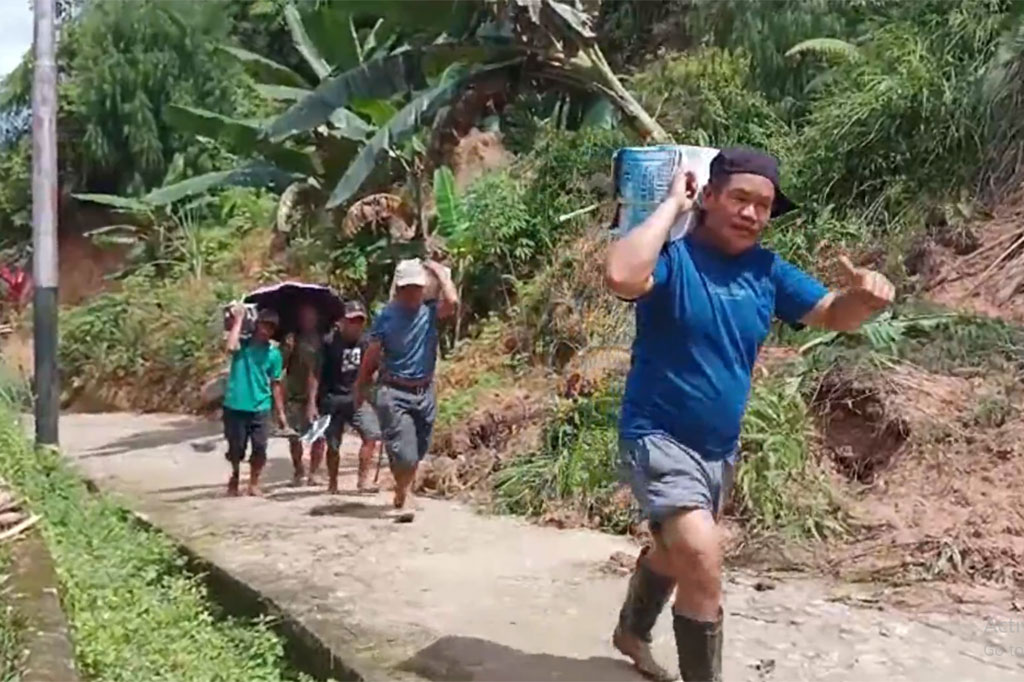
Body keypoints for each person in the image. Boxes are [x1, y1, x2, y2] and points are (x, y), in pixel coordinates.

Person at [605, 147, 895, 682]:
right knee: (703, 556)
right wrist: (672, 205)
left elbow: (837, 315)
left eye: (763, 206)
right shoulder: (673, 259)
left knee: (676, 555)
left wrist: (866, 299)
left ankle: (631, 630)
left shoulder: (767, 271)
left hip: (718, 448)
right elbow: (622, 275)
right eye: (739, 198)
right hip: (658, 436)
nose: (752, 214)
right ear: (707, 197)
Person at [355, 258, 458, 522]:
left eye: (418, 287)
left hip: (424, 392)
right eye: (409, 287)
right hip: (394, 391)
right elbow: (372, 354)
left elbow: (453, 303)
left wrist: (439, 273)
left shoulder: (430, 312)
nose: (414, 293)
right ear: (399, 289)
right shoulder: (386, 316)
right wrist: (361, 385)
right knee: (406, 450)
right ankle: (406, 494)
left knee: (418, 448)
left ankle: (402, 489)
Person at [223, 305, 288, 497]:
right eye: (264, 325)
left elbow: (276, 384)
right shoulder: (243, 345)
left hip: (261, 406)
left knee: (260, 447)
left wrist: (281, 413)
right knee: (237, 448)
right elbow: (230, 347)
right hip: (236, 404)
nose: (266, 330)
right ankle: (235, 475)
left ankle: (253, 482)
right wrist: (239, 320)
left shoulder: (274, 354)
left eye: (271, 327)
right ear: (257, 325)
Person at [319, 300, 382, 494]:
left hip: (356, 398)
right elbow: (316, 373)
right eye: (351, 321)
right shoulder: (328, 342)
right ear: (342, 321)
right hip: (332, 398)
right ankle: (333, 483)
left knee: (371, 435)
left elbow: (373, 368)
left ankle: (363, 481)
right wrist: (315, 401)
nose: (355, 325)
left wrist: (372, 389)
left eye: (359, 321)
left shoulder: (366, 343)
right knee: (334, 445)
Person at [282, 304, 324, 485]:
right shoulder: (292, 339)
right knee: (294, 436)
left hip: (320, 394)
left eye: (312, 316)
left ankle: (314, 472)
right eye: (305, 316)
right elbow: (280, 365)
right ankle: (299, 470)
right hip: (295, 393)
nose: (309, 319)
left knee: (320, 435)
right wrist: (287, 349)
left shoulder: (324, 339)